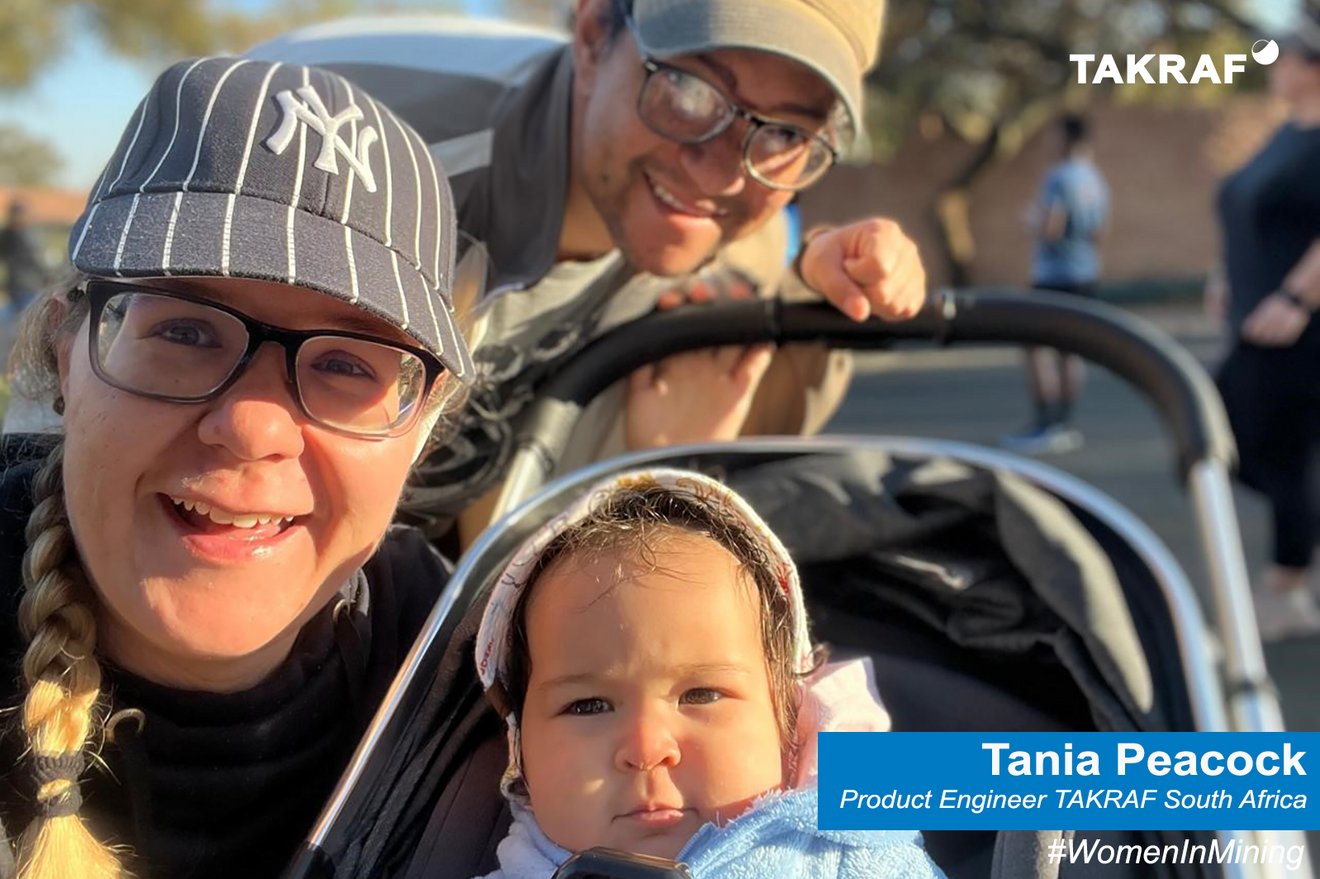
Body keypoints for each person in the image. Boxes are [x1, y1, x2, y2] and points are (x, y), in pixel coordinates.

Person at [0, 56, 476, 878]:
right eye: (184, 330)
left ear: (422, 430)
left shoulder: (454, 663)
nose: (253, 428)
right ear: (63, 353)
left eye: (348, 364)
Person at [250, 0, 928, 548]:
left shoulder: (736, 255)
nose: (720, 172)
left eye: (784, 133)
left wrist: (822, 297)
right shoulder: (370, 180)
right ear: (593, 34)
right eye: (690, 91)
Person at [468, 469, 944, 879]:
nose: (647, 749)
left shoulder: (851, 855)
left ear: (787, 726)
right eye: (588, 706)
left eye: (701, 694)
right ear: (520, 756)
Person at [1206, 7, 1320, 642]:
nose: (1272, 66)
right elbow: (1251, 211)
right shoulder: (1285, 135)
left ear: (1313, 67)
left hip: (1298, 330)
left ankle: (1287, 589)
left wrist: (1299, 300)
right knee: (1241, 442)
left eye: (1285, 56)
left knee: (1282, 456)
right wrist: (1226, 275)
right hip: (1254, 317)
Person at [1001, 113, 1110, 455]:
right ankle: (1065, 421)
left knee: (1033, 346)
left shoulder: (1058, 178)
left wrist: (1032, 219)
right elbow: (1099, 232)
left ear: (1066, 139)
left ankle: (1045, 422)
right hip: (1086, 272)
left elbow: (1051, 227)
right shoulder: (1095, 179)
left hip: (1054, 277)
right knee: (1071, 352)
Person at [0, 200, 50, 316]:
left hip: (32, 285)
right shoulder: (8, 235)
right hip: (20, 285)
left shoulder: (30, 234)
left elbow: (36, 261)